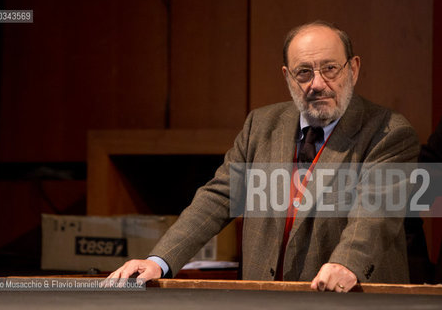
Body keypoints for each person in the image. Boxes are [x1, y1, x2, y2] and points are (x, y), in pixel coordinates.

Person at [106, 21, 420, 292]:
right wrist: (159, 261)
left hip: (344, 298)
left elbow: (375, 212)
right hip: (262, 298)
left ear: (353, 68)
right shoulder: (262, 124)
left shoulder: (389, 131)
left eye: (330, 68)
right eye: (304, 72)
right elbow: (218, 197)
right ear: (287, 77)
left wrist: (347, 263)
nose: (317, 83)